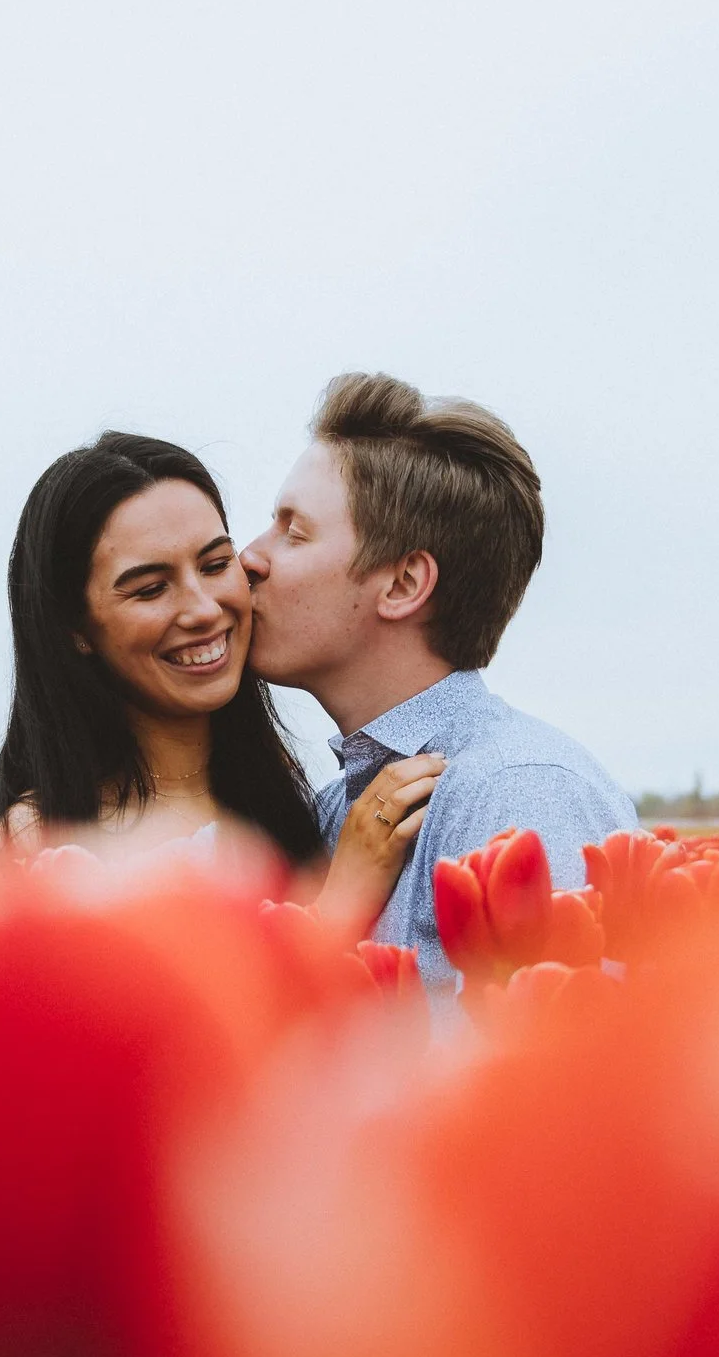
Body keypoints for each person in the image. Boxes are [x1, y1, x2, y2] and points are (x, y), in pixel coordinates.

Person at [240, 372, 633, 1018]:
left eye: (294, 531)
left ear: (402, 583)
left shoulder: (516, 792)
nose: (250, 557)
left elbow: (554, 1082)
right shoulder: (340, 806)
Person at [0, 431, 440, 936]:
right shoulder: (40, 840)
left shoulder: (289, 799)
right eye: (151, 589)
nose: (203, 609)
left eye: (216, 565)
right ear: (76, 630)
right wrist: (339, 905)